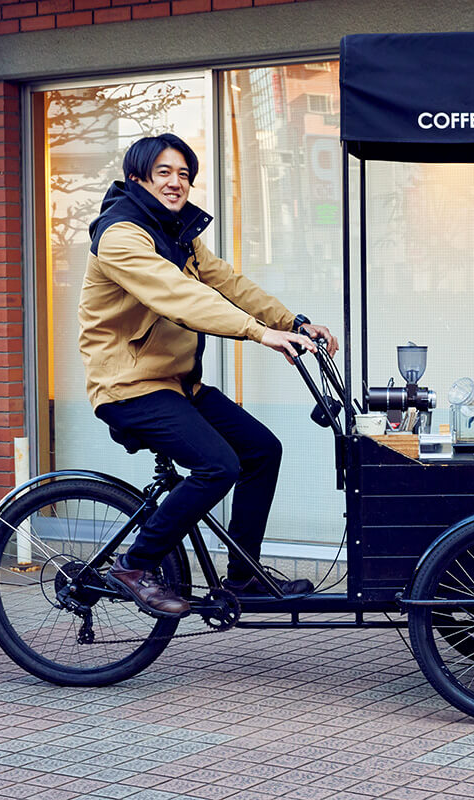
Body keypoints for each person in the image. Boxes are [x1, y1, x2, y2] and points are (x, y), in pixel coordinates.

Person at [78, 133, 338, 619]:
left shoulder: (179, 233)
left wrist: (291, 323)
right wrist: (258, 334)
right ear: (137, 178)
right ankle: (135, 565)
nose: (176, 183)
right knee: (219, 465)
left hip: (177, 384)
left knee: (262, 450)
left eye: (184, 174)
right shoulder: (121, 236)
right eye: (164, 172)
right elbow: (179, 296)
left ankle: (244, 576)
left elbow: (228, 283)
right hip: (129, 386)